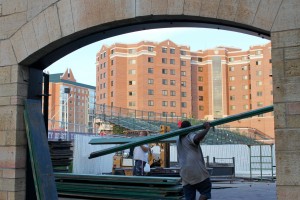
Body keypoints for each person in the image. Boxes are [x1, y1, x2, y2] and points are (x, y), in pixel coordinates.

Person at [177, 121, 212, 200]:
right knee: (205, 191)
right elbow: (196, 138)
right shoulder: (189, 135)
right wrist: (207, 129)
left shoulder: (178, 140)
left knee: (189, 197)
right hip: (197, 171)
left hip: (184, 174)